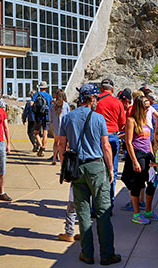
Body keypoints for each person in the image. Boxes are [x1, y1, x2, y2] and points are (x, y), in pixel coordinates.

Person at [56, 83, 120, 265]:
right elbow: (106, 146)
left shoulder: (68, 118)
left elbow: (62, 145)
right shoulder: (99, 119)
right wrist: (110, 169)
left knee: (83, 212)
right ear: (92, 98)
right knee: (102, 212)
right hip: (96, 166)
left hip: (76, 167)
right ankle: (107, 254)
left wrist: (65, 168)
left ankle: (87, 253)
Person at [121, 96, 154, 225]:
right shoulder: (131, 120)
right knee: (137, 183)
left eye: (149, 106)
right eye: (146, 106)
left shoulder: (145, 120)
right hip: (137, 154)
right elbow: (128, 142)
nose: (148, 109)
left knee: (150, 182)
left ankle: (148, 211)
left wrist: (151, 154)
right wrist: (134, 160)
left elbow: (148, 140)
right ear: (139, 107)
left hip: (147, 154)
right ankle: (136, 213)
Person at [94, 78, 126, 206]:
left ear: (101, 88)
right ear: (112, 89)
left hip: (97, 137)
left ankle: (96, 204)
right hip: (112, 136)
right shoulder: (117, 103)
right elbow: (122, 123)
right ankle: (109, 202)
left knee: (97, 170)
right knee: (112, 169)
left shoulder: (96, 101)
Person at [48, 89, 70, 165]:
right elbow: (68, 116)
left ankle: (54, 158)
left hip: (55, 126)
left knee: (56, 142)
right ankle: (64, 160)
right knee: (64, 144)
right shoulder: (66, 105)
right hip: (64, 127)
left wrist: (51, 122)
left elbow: (50, 116)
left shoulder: (53, 105)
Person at [31, 81, 52, 157]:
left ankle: (40, 146)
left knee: (36, 133)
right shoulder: (49, 96)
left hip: (38, 116)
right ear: (46, 88)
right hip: (46, 116)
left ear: (40, 87)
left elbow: (31, 104)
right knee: (45, 133)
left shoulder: (36, 95)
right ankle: (43, 147)